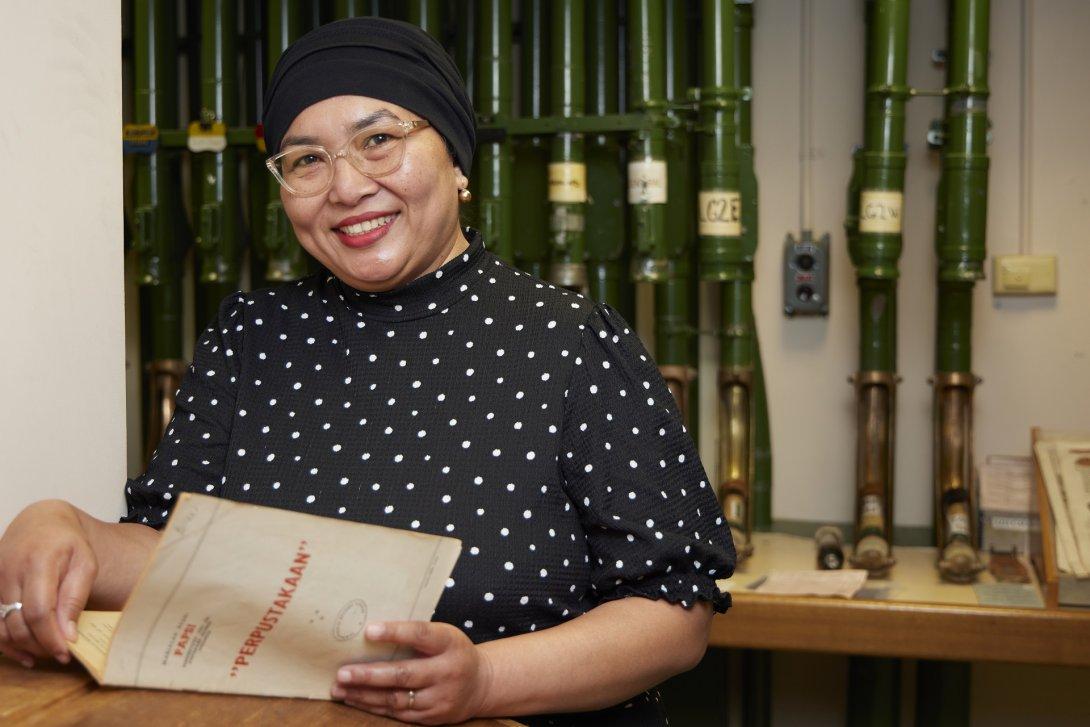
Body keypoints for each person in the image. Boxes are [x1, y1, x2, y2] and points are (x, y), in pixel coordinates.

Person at [0, 17, 735, 726]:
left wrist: (485, 681)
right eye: (306, 160)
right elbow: (172, 554)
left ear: (456, 158)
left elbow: (676, 612)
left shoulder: (569, 340)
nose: (346, 187)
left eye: (378, 140)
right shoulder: (252, 337)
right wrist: (72, 532)